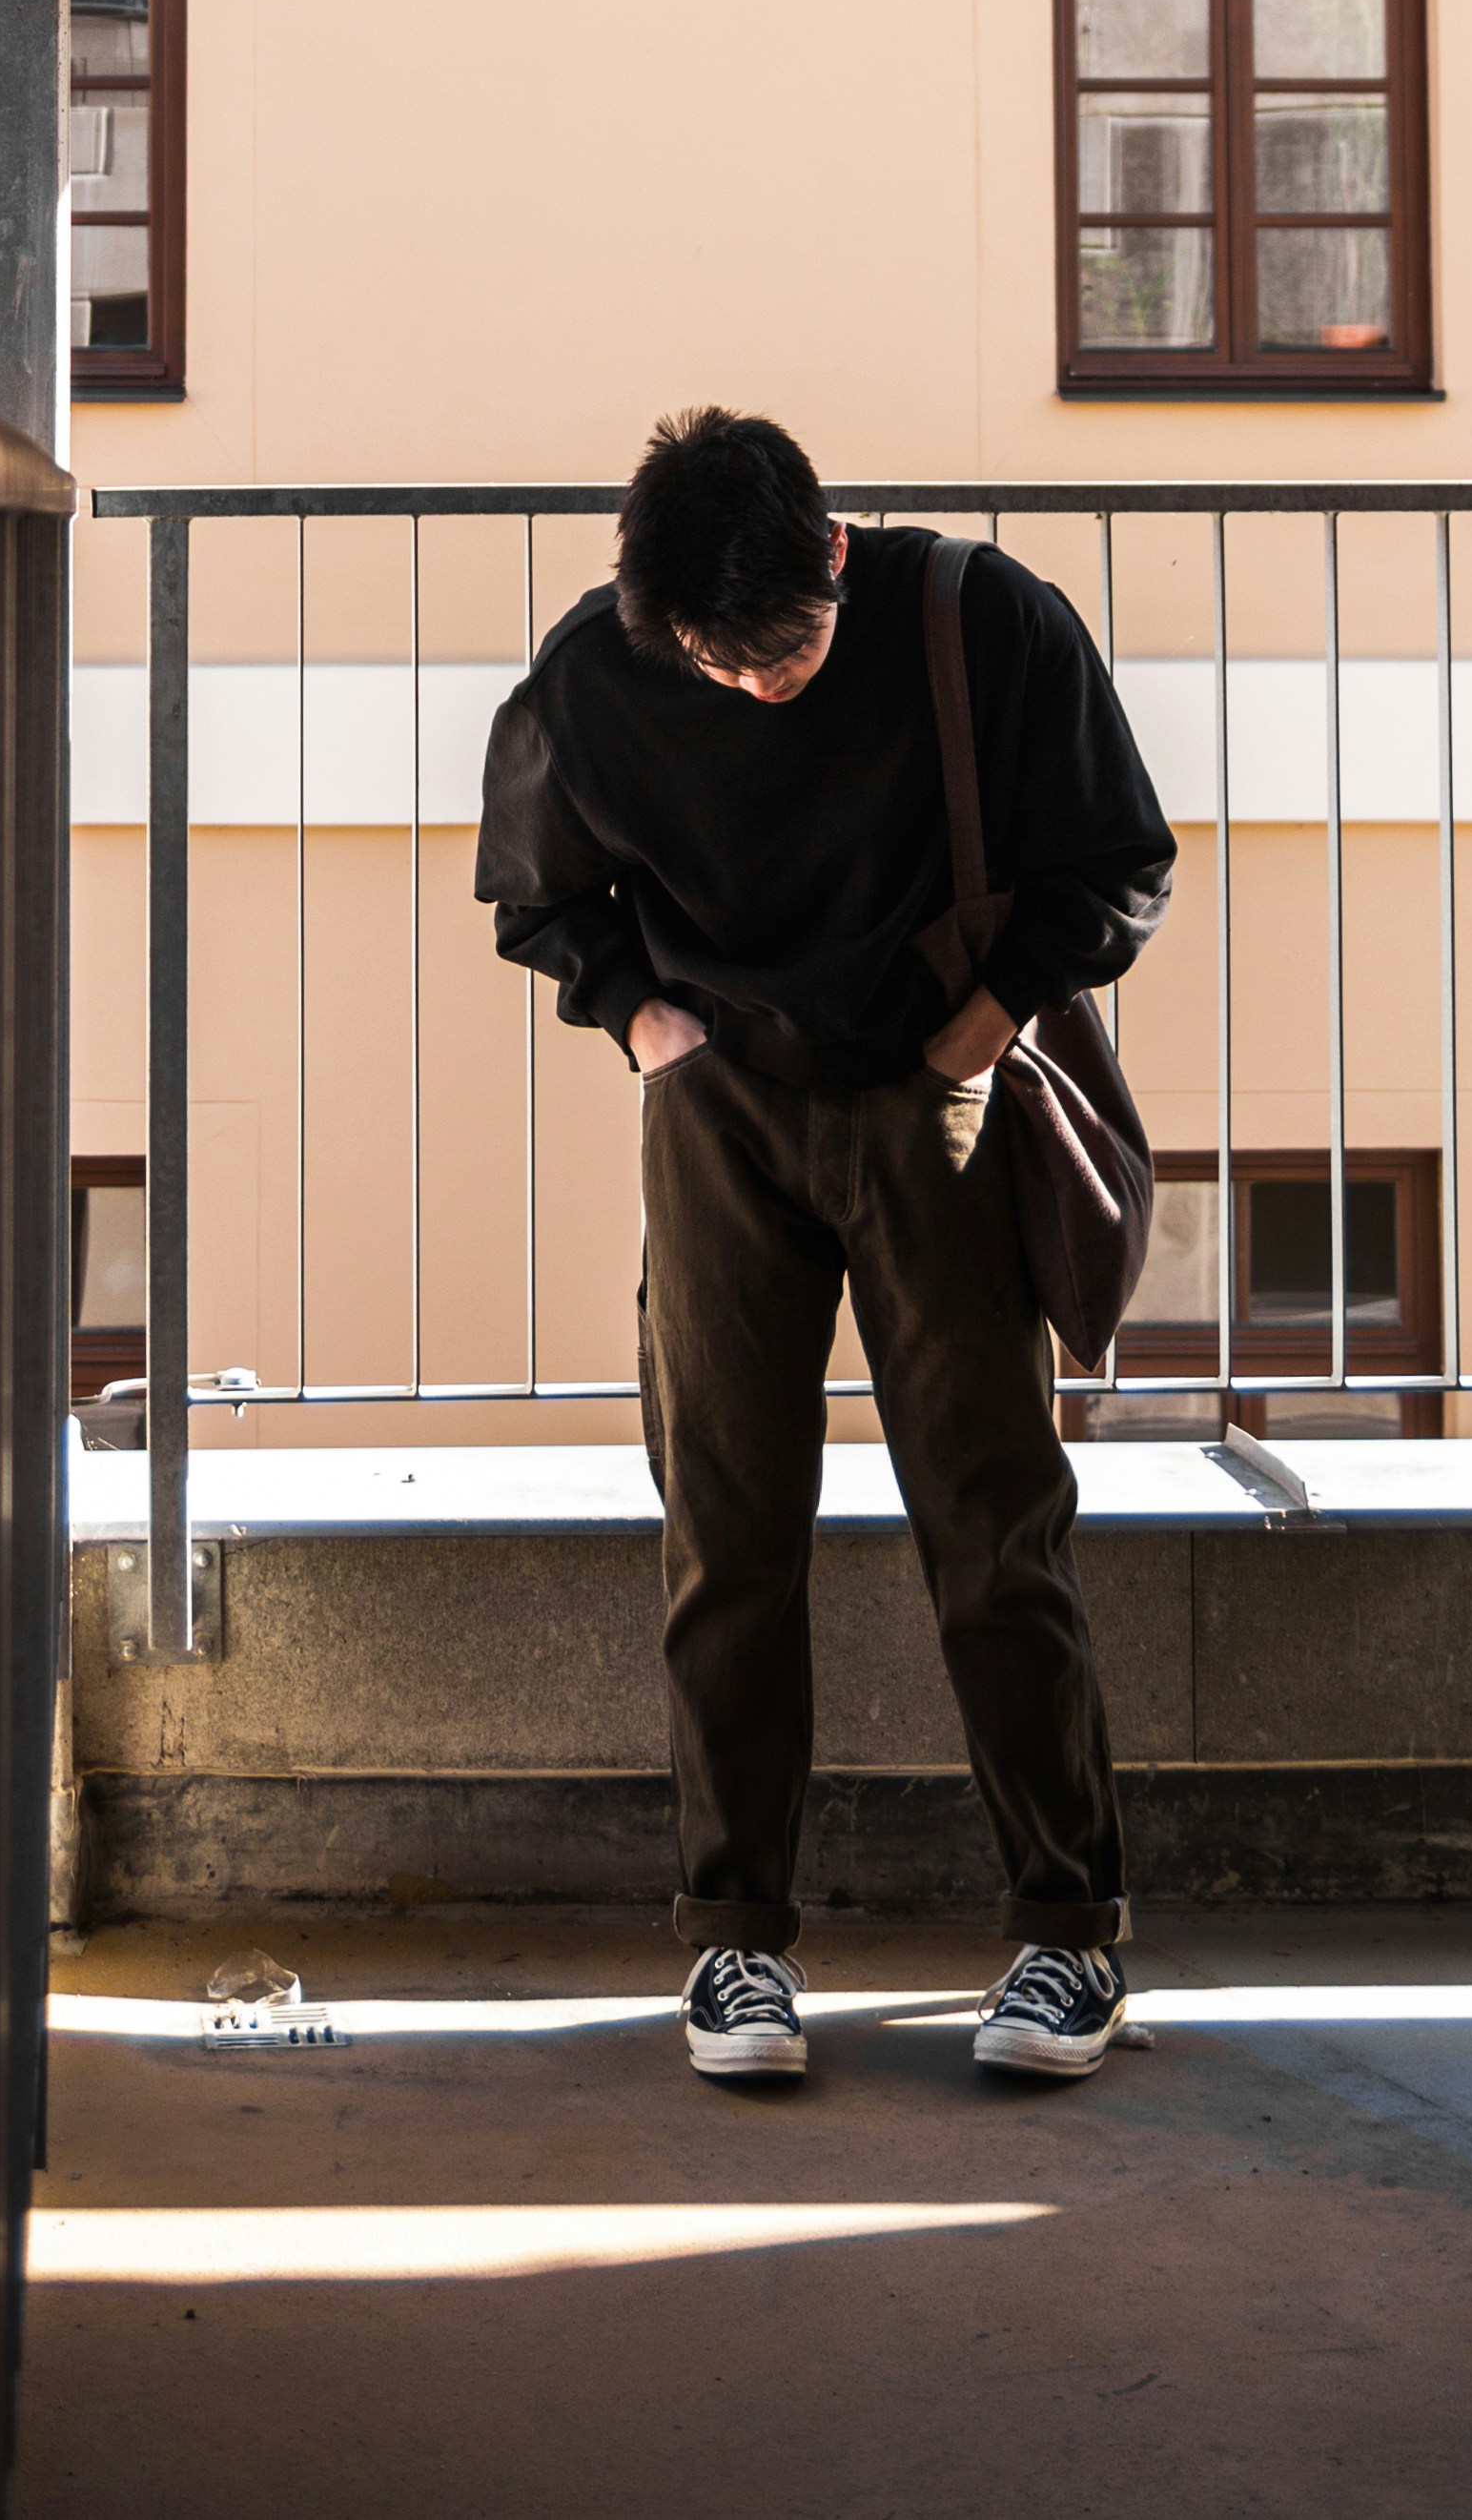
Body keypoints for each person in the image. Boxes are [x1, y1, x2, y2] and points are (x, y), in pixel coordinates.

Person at [475, 407, 1174, 2088]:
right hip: (717, 1106)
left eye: (780, 649)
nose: (751, 686)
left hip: (940, 1096)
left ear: (836, 557)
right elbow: (540, 898)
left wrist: (976, 1038)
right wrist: (648, 1025)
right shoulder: (597, 674)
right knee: (726, 1524)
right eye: (717, 662)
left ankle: (1071, 1934)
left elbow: (1117, 861)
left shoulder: (978, 618)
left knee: (994, 1520)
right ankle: (734, 1943)